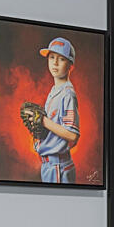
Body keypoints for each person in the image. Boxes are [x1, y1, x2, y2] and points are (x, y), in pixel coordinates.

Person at [32, 36, 82, 183]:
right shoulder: (54, 90)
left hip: (58, 166)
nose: (54, 62)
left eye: (61, 59)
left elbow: (73, 135)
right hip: (49, 165)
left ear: (70, 65)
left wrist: (44, 121)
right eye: (51, 57)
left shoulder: (67, 94)